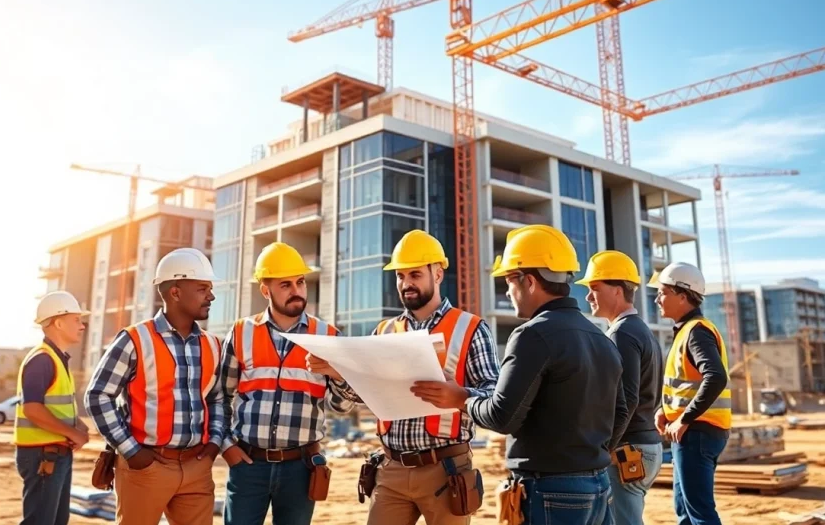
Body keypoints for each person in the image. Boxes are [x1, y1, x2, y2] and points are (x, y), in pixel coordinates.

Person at [416, 225, 625, 525]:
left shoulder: (532, 335)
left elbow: (502, 416)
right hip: (598, 485)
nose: (507, 292)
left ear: (528, 281)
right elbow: (620, 410)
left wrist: (461, 397)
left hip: (551, 489)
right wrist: (590, 455)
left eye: (509, 282)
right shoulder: (601, 338)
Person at [309, 229, 500, 525]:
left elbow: (493, 398)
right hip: (392, 467)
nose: (406, 284)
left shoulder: (470, 328)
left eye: (415, 275)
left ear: (437, 274)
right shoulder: (384, 332)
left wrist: (459, 395)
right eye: (400, 276)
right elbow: (348, 404)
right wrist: (338, 371)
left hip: (447, 468)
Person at [218, 241, 356, 525]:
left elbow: (342, 406)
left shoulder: (328, 335)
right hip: (248, 464)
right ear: (265, 290)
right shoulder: (242, 332)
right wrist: (227, 446)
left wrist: (337, 372)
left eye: (301, 282)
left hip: (301, 467)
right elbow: (220, 397)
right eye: (285, 285)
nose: (297, 291)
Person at [85, 248, 225, 525]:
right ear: (175, 292)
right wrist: (131, 451)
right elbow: (97, 396)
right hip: (146, 467)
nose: (211, 296)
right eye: (202, 288)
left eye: (210, 288)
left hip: (197, 466)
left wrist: (214, 445)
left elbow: (218, 399)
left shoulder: (212, 344)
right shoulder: (135, 339)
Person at [577, 250, 664, 525]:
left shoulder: (622, 333)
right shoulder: (640, 330)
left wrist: (604, 449)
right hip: (644, 445)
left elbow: (627, 398)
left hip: (628, 449)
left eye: (594, 288)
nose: (588, 296)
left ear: (617, 290)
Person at [649, 262, 731, 525]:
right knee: (684, 509)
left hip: (696, 432)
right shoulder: (687, 331)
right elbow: (686, 383)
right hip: (692, 432)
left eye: (662, 293)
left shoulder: (696, 332)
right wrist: (666, 410)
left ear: (682, 296)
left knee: (699, 514)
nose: (657, 299)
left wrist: (684, 418)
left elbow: (716, 376)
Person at [15, 290, 90, 525]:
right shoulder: (42, 359)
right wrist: (72, 433)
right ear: (58, 322)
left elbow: (55, 406)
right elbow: (33, 409)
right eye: (76, 320)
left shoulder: (56, 359)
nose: (82, 326)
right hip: (42, 455)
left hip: (54, 454)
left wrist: (77, 425)